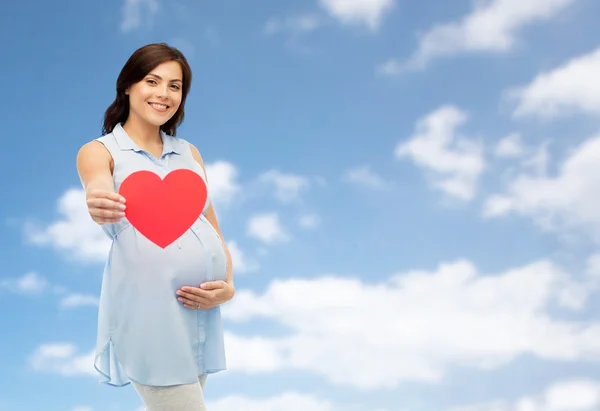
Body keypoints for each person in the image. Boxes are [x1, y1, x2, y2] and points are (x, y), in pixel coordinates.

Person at [76, 43, 234, 411]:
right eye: (152, 81)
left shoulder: (189, 153)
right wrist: (99, 201)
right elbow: (97, 185)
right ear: (128, 86)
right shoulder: (101, 151)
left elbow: (211, 228)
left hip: (199, 316)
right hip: (150, 318)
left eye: (175, 86)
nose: (164, 94)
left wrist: (228, 287)